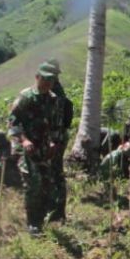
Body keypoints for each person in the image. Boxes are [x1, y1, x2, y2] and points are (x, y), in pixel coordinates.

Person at [9, 62, 71, 232]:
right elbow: (14, 123)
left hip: (44, 148)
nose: (48, 83)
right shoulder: (26, 97)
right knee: (33, 183)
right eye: (45, 79)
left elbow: (53, 125)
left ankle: (43, 218)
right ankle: (33, 223)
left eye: (52, 80)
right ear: (37, 77)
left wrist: (52, 141)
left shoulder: (53, 100)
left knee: (47, 183)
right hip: (27, 148)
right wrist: (24, 140)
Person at [46, 60, 73, 223]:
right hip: (58, 137)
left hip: (54, 139)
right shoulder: (58, 91)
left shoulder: (55, 94)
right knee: (55, 173)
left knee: (53, 173)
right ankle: (57, 210)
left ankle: (55, 211)